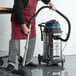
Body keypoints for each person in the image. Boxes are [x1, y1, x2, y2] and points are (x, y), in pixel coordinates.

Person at [6, 0, 56, 72]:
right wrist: (23, 27)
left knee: (32, 39)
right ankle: (12, 62)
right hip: (18, 19)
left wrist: (51, 4)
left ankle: (27, 61)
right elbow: (18, 12)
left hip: (30, 20)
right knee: (15, 40)